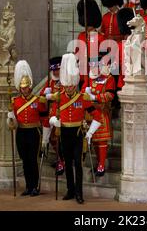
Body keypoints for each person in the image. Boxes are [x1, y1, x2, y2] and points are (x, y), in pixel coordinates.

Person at [48, 53, 102, 204]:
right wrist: (54, 120)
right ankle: (70, 190)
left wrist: (90, 132)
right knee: (67, 162)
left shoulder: (82, 98)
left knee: (77, 163)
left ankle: (79, 192)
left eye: (72, 84)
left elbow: (97, 115)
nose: (70, 87)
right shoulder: (59, 97)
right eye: (67, 84)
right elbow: (51, 115)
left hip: (78, 133)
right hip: (64, 132)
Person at [7, 60, 47, 196]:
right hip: (21, 132)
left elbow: (44, 117)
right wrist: (10, 120)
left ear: (30, 86)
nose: (24, 89)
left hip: (33, 132)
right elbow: (12, 121)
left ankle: (35, 186)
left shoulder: (37, 101)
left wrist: (46, 135)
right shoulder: (15, 102)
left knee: (32, 160)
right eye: (22, 87)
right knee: (24, 160)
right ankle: (28, 186)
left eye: (26, 87)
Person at [81, 55, 116, 176]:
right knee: (94, 139)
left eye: (96, 66)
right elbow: (82, 92)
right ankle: (97, 163)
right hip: (90, 112)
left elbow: (110, 95)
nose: (94, 68)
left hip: (102, 111)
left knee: (102, 140)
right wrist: (85, 95)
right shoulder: (88, 78)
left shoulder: (108, 78)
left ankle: (101, 164)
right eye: (92, 66)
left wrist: (95, 97)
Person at [40, 56, 65, 175]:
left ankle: (63, 160)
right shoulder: (50, 82)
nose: (55, 72)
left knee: (60, 138)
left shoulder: (66, 80)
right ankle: (60, 158)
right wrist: (45, 95)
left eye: (57, 69)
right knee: (52, 138)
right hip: (51, 114)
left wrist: (52, 96)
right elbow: (42, 95)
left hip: (63, 113)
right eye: (54, 70)